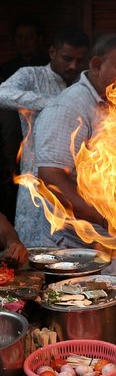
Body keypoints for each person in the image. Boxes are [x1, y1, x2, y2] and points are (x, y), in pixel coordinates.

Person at [34, 33, 116, 248]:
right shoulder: (69, 108)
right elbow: (51, 178)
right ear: (96, 65)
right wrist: (107, 219)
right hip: (76, 246)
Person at [0, 25, 90, 246]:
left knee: (74, 253)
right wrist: (53, 104)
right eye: (67, 58)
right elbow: (2, 93)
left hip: (75, 181)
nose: (73, 66)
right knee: (34, 250)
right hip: (35, 174)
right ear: (53, 52)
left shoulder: (83, 84)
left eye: (79, 61)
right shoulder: (31, 75)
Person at [0, 16, 50, 224]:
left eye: (29, 37)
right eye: (19, 38)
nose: (24, 42)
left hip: (38, 145)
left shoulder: (45, 69)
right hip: (10, 138)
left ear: (39, 39)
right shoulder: (8, 68)